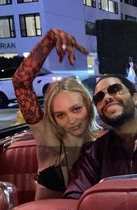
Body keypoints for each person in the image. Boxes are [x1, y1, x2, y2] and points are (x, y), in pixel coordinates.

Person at [12, 28, 99, 200]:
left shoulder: (102, 143)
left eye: (76, 109)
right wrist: (49, 40)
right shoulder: (48, 138)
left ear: (88, 106)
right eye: (60, 115)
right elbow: (21, 83)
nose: (71, 120)